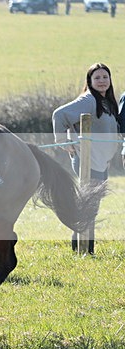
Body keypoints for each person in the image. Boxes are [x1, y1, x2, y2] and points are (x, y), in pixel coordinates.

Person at [52, 63, 119, 256]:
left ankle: (84, 247)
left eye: (105, 77)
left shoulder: (106, 101)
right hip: (88, 160)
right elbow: (59, 114)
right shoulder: (89, 100)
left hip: (100, 161)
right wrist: (63, 141)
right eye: (97, 78)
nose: (102, 81)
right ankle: (82, 248)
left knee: (91, 205)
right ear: (89, 81)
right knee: (88, 206)